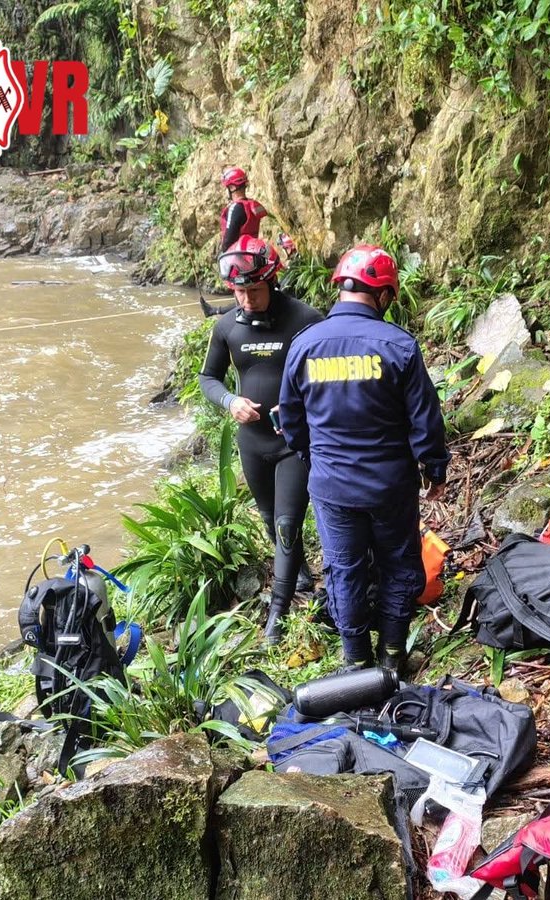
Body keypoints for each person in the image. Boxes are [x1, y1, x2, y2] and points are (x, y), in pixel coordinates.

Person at [278, 244, 450, 671]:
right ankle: (393, 656)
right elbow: (424, 420)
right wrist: (434, 468)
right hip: (390, 484)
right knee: (397, 562)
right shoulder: (399, 346)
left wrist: (314, 459)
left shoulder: (305, 345)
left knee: (344, 569)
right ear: (385, 294)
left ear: (340, 289)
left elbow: (292, 420)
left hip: (332, 486)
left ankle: (355, 662)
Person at [198, 235, 324, 643]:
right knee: (271, 520)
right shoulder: (227, 326)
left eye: (254, 290)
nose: (247, 300)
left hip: (293, 442)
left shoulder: (305, 319)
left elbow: (328, 377)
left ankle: (278, 614)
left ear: (272, 280)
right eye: (238, 291)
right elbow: (208, 378)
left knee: (288, 523)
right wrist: (230, 401)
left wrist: (302, 411)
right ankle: (302, 578)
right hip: (251, 441)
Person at [218, 166, 268, 254]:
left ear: (232, 187)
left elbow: (228, 240)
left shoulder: (235, 208)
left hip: (239, 256)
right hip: (253, 253)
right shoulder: (250, 206)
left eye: (227, 187)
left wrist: (222, 251)